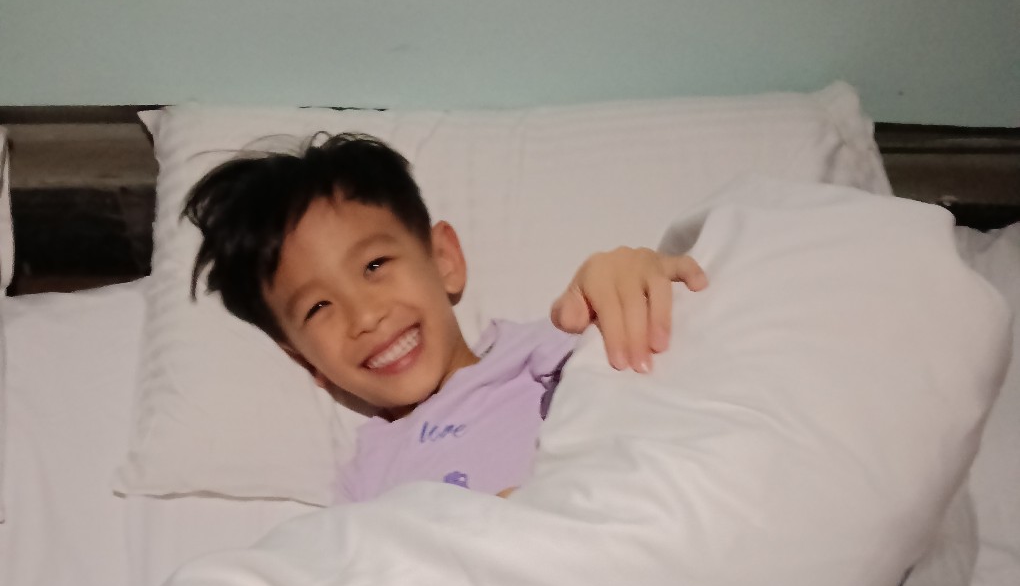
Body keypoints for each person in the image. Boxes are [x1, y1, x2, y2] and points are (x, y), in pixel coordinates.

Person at [183, 133, 707, 502]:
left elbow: (661, 383)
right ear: (304, 360)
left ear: (443, 261)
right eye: (318, 308)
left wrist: (627, 273)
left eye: (374, 265)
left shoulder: (546, 347)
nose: (365, 316)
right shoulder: (366, 480)